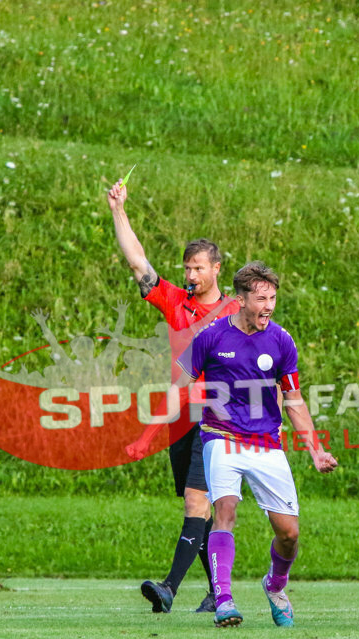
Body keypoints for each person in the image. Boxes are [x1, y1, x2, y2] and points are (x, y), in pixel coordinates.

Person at [174, 261, 338, 627]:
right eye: (261, 298)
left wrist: (315, 450)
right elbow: (180, 379)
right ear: (240, 299)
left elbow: (293, 400)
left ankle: (275, 585)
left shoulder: (281, 340)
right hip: (221, 438)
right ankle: (225, 601)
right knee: (225, 511)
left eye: (273, 298)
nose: (268, 306)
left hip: (266, 443)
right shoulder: (211, 336)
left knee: (289, 533)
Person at [108, 179, 239, 615]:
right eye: (186, 268)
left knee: (195, 501)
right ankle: (216, 590)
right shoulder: (177, 301)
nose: (190, 275)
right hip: (179, 416)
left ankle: (168, 588)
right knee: (194, 506)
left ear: (217, 268)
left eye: (198, 268)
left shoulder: (235, 312)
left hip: (217, 415)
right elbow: (138, 262)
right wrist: (119, 210)